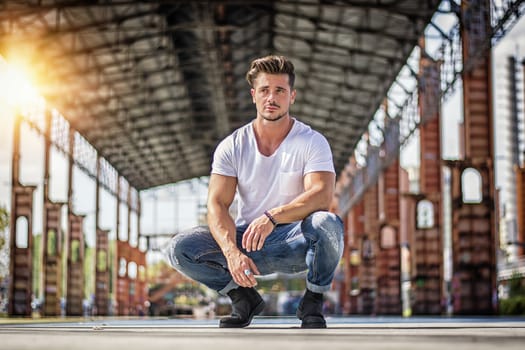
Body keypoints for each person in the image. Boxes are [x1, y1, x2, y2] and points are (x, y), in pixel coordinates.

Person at [165, 55, 344, 328]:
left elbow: (321, 195)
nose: (271, 97)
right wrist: (231, 252)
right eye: (264, 90)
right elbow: (217, 204)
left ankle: (313, 301)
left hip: (295, 242)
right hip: (247, 243)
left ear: (292, 96)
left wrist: (272, 217)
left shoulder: (312, 141)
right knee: (179, 248)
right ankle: (243, 298)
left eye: (280, 90)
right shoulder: (233, 145)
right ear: (254, 95)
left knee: (327, 223)